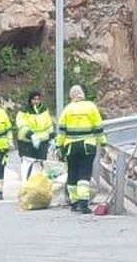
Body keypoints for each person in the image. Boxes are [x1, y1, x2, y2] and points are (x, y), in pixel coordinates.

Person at [56, 81, 105, 215]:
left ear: (71, 96)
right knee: (84, 173)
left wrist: (58, 145)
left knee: (72, 173)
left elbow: (61, 131)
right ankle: (83, 203)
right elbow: (98, 126)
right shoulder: (90, 107)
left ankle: (74, 202)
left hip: (70, 147)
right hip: (87, 146)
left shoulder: (67, 109)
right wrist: (103, 141)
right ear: (82, 94)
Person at [13, 89, 54, 185]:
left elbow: (49, 126)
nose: (36, 101)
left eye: (38, 99)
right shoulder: (24, 111)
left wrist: (52, 138)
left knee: (41, 166)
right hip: (27, 143)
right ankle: (26, 186)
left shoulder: (44, 110)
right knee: (27, 165)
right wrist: (31, 135)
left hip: (42, 142)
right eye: (34, 99)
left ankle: (39, 188)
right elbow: (21, 126)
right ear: (30, 100)